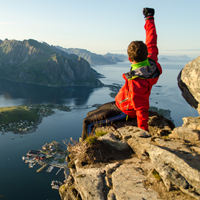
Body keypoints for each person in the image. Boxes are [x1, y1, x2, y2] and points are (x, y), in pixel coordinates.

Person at [81, 8, 162, 140]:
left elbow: (141, 109)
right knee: (90, 113)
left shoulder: (137, 81)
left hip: (124, 111)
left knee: (87, 122)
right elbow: (151, 39)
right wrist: (149, 19)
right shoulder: (151, 60)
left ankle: (86, 150)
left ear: (129, 59)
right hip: (119, 102)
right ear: (145, 53)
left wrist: (143, 136)